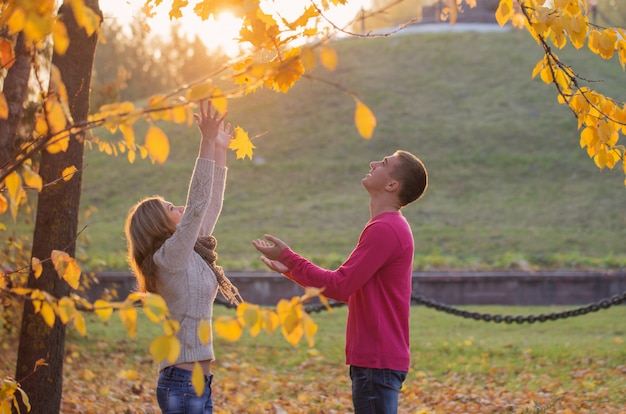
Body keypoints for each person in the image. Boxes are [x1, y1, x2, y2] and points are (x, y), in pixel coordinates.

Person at [252, 150, 428, 413]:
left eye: (384, 163)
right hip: (376, 360)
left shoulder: (385, 228)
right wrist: (289, 268)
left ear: (392, 185)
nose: (373, 162)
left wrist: (290, 259)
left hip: (377, 360)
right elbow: (351, 290)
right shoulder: (386, 225)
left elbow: (340, 285)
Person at [125, 100, 242, 414]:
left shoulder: (189, 251)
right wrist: (204, 142)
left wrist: (219, 149)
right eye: (169, 208)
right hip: (181, 382)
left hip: (199, 383)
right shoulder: (170, 257)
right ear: (157, 225)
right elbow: (198, 202)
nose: (179, 208)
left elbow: (211, 204)